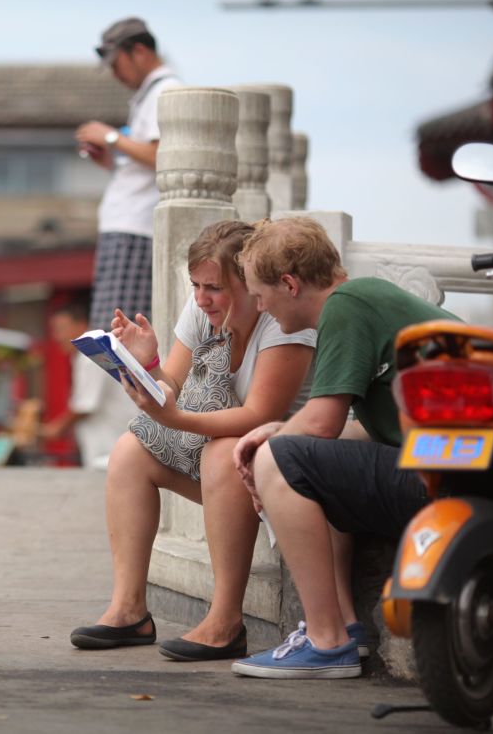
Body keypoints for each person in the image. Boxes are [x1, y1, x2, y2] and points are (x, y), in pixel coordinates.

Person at [69, 220, 317, 660]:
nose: (201, 299)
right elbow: (172, 388)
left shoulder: (283, 321)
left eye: (214, 288)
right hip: (233, 467)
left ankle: (226, 621)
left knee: (224, 451)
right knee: (130, 451)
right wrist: (146, 365)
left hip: (287, 469)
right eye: (196, 286)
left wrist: (175, 416)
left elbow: (259, 415)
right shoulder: (204, 308)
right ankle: (129, 610)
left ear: (250, 284)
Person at [230, 216, 458, 679]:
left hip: (449, 474)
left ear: (290, 284)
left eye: (260, 293)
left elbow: (322, 422)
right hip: (464, 465)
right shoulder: (367, 297)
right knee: (304, 456)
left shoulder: (346, 306)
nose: (259, 306)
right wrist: (277, 431)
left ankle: (325, 640)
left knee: (282, 457)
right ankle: (346, 628)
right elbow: (348, 432)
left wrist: (263, 444)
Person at [76, 17, 181, 330]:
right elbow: (144, 162)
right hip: (126, 226)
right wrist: (109, 157)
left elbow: (162, 156)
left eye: (116, 62)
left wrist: (110, 137)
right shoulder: (150, 93)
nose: (114, 73)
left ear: (139, 51)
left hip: (135, 228)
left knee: (122, 334)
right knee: (114, 331)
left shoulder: (166, 90)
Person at [40, 299, 136, 468]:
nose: (57, 337)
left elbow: (85, 406)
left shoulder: (91, 354)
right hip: (114, 440)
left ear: (81, 324)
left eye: (61, 329)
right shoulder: (86, 354)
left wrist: (55, 429)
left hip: (112, 442)